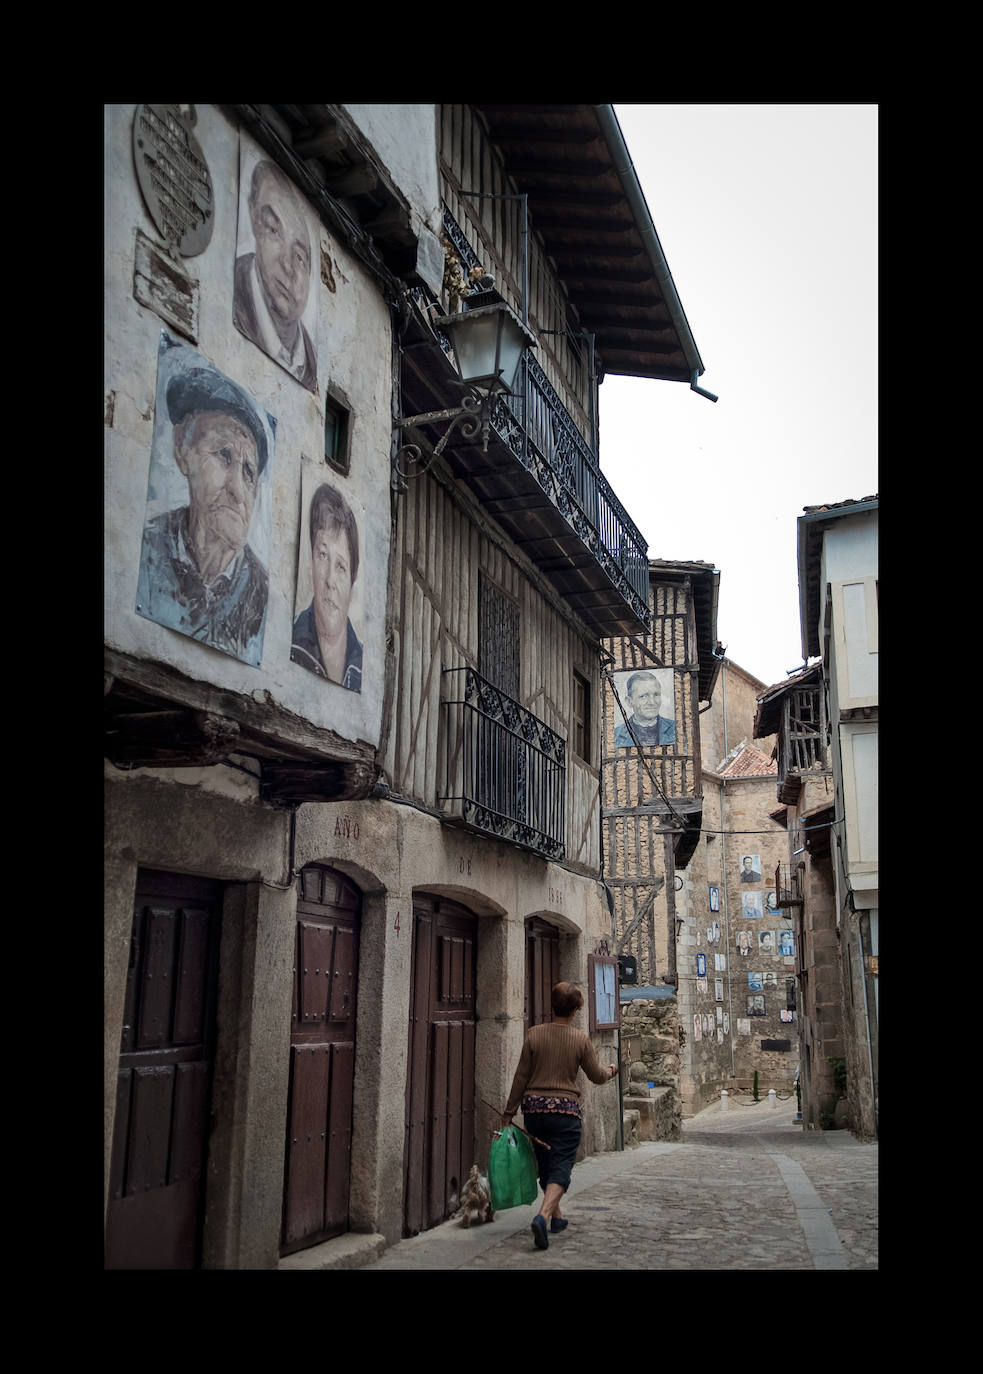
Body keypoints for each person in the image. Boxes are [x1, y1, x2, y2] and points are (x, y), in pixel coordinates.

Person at [137, 363, 270, 665]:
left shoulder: (260, 590)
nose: (237, 488)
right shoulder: (148, 549)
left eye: (249, 472)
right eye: (224, 454)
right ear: (183, 449)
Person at [501, 981, 618, 1251]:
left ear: (552, 1006)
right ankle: (542, 1217)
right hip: (565, 1113)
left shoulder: (533, 1035)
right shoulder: (580, 1039)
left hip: (534, 1112)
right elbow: (596, 1076)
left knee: (545, 1165)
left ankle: (557, 1217)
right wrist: (612, 1070)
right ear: (576, 1010)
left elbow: (521, 1077)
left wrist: (509, 1112)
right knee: (562, 1166)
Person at [234, 159, 316, 391]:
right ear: (253, 219)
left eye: (300, 256)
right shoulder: (231, 299)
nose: (287, 265)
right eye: (273, 231)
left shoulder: (308, 361)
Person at [291, 482, 363, 690]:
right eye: (323, 555)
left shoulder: (360, 664)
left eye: (341, 567)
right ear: (311, 562)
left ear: (353, 580)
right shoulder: (295, 644)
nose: (330, 580)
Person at [613, 671, 675, 747]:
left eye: (656, 695)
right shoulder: (616, 735)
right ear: (629, 701)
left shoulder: (675, 729)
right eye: (643, 696)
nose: (652, 702)